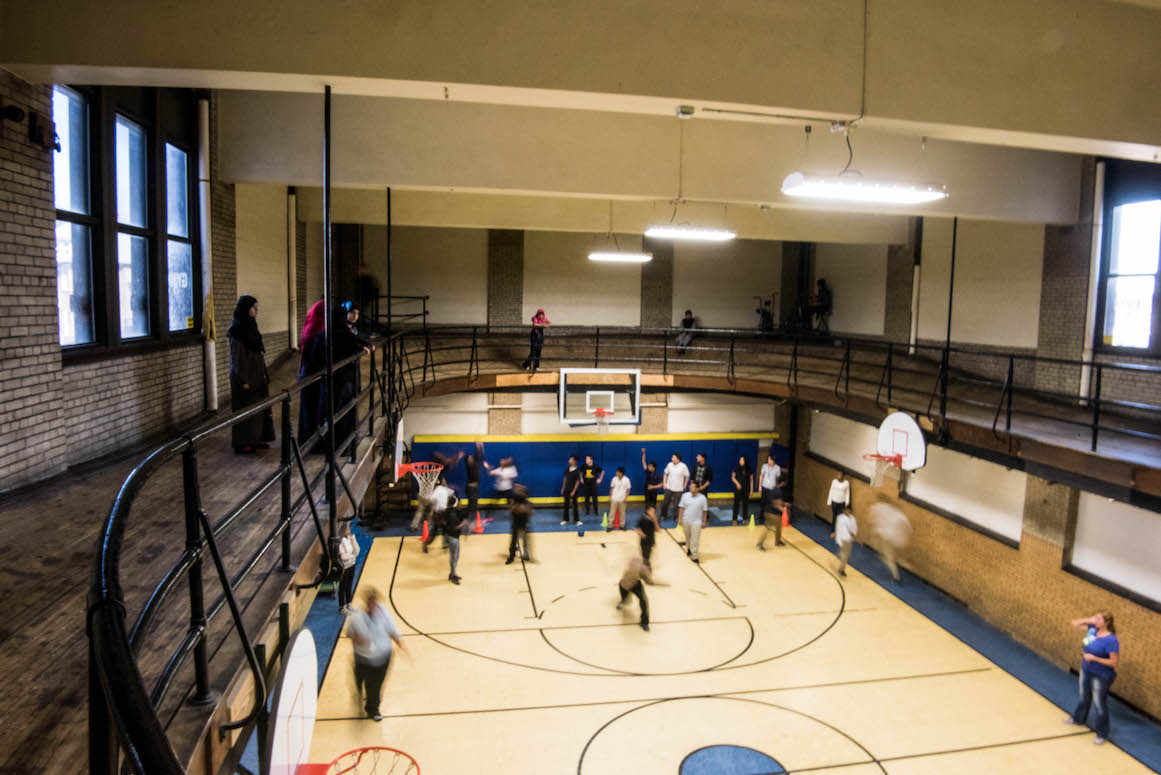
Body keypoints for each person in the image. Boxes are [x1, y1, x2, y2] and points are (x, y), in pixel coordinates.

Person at [346, 589, 407, 721]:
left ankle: (373, 709)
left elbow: (393, 630)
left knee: (375, 685)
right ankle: (360, 695)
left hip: (382, 657)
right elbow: (348, 633)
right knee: (359, 681)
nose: (373, 606)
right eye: (370, 603)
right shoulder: (357, 617)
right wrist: (357, 639)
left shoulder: (384, 613)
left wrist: (401, 645)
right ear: (366, 602)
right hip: (362, 658)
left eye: (375, 603)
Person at [227, 295, 275, 453]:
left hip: (257, 374)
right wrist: (242, 380)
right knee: (246, 408)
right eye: (254, 307)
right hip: (245, 376)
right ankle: (243, 442)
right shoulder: (236, 331)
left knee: (259, 408)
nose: (257, 310)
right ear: (245, 309)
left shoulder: (251, 327)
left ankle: (256, 438)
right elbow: (237, 358)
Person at [1066, 612, 1120, 744]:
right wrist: (1089, 619)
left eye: (1099, 619)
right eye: (1096, 618)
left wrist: (1094, 658)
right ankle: (1078, 718)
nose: (1096, 621)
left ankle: (1101, 733)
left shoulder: (1111, 640)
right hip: (1086, 670)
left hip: (1101, 675)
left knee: (1099, 703)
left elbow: (1114, 662)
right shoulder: (1093, 630)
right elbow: (1075, 623)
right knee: (1084, 696)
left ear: (1106, 623)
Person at [297, 300, 327, 447]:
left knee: (310, 410)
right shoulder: (316, 331)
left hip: (308, 375)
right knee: (312, 410)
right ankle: (311, 443)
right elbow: (316, 356)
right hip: (312, 376)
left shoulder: (312, 327)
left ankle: (308, 441)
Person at [869, 500, 911, 582]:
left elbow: (880, 523)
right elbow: (908, 528)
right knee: (889, 555)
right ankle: (896, 560)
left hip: (889, 539)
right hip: (896, 541)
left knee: (889, 558)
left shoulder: (888, 513)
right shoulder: (901, 516)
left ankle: (896, 577)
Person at [616, 554, 653, 631]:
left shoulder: (636, 559)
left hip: (630, 584)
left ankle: (644, 622)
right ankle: (623, 601)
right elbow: (647, 580)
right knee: (627, 600)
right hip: (626, 584)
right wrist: (650, 581)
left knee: (643, 601)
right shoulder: (643, 568)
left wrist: (647, 578)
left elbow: (644, 576)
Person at [421, 477, 456, 553]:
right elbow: (431, 499)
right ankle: (426, 544)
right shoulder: (438, 489)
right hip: (438, 513)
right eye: (444, 480)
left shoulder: (445, 489)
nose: (445, 481)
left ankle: (445, 544)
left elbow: (452, 495)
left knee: (445, 529)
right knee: (435, 531)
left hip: (444, 512)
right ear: (441, 482)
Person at [678, 482, 709, 563]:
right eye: (690, 486)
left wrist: (704, 521)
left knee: (695, 539)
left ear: (697, 488)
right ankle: (689, 548)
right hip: (686, 521)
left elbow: (705, 511)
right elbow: (681, 508)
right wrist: (680, 519)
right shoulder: (685, 496)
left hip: (697, 522)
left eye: (693, 487)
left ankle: (694, 556)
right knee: (688, 537)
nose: (690, 488)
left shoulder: (703, 498)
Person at [506, 484, 533, 564]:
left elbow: (529, 512)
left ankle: (525, 555)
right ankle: (512, 556)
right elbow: (513, 510)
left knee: (524, 539)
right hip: (517, 523)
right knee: (514, 540)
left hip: (523, 523)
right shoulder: (516, 503)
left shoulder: (525, 504)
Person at [441, 507, 469, 584]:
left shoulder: (447, 511)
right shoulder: (452, 515)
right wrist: (463, 523)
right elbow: (454, 528)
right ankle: (453, 575)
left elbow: (444, 523)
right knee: (454, 557)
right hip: (453, 538)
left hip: (448, 536)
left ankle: (452, 573)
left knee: (453, 556)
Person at [661, 453, 689, 525]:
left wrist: (685, 484)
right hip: (669, 487)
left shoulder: (683, 466)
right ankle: (663, 515)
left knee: (677, 504)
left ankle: (676, 517)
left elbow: (687, 476)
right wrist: (664, 483)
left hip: (679, 489)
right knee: (665, 502)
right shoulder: (669, 465)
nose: (671, 458)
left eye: (673, 457)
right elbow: (665, 473)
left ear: (678, 459)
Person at [337, 527, 359, 613]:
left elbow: (357, 550)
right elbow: (342, 557)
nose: (349, 531)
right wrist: (353, 555)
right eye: (346, 529)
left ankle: (349, 604)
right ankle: (342, 607)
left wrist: (353, 539)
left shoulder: (350, 538)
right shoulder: (339, 541)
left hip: (352, 565)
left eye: (349, 529)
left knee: (349, 586)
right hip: (344, 567)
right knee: (343, 587)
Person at [832, 506, 857, 577]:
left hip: (849, 539)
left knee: (847, 555)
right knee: (844, 556)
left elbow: (855, 528)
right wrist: (839, 540)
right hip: (843, 539)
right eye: (846, 510)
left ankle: (841, 560)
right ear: (844, 511)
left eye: (849, 511)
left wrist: (854, 533)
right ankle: (841, 570)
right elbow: (838, 529)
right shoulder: (840, 518)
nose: (847, 512)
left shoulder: (853, 519)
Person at [730, 455, 753, 525]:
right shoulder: (737, 468)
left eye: (742, 460)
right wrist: (737, 484)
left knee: (745, 504)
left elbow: (751, 480)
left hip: (746, 489)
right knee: (736, 504)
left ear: (745, 461)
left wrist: (751, 490)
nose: (740, 461)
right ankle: (734, 519)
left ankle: (745, 518)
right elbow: (733, 477)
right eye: (740, 460)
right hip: (738, 489)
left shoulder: (749, 469)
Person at [561, 455, 582, 525]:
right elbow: (565, 478)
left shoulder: (577, 470)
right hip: (567, 489)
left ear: (574, 461)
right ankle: (565, 519)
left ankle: (577, 520)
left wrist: (573, 491)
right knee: (566, 505)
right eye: (569, 459)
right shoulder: (567, 469)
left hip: (574, 491)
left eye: (570, 460)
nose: (569, 461)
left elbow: (577, 481)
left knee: (575, 505)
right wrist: (563, 488)